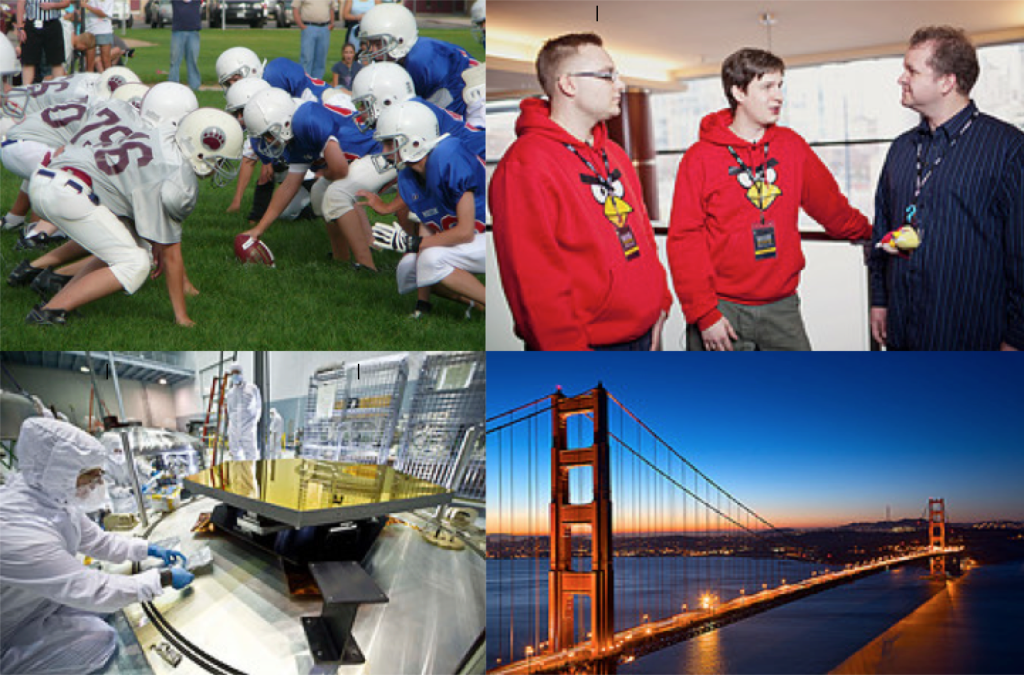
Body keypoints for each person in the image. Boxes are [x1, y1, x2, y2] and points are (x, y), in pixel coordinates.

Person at [667, 48, 871, 352]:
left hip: (782, 308)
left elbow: (831, 207)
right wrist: (704, 313)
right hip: (721, 310)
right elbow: (685, 239)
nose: (778, 96)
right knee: (720, 399)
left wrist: (871, 233)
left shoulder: (791, 146)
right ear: (738, 91)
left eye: (780, 86)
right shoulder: (699, 158)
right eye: (767, 87)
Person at [490, 33, 671, 351]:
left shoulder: (613, 153)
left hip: (648, 335)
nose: (620, 85)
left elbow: (641, 235)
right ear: (568, 84)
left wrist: (661, 306)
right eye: (607, 75)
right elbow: (535, 285)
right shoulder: (525, 164)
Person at [869, 26, 1024, 351]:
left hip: (972, 338)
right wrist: (880, 301)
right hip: (903, 333)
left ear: (946, 81)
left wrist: (1017, 339)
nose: (901, 78)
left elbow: (1021, 253)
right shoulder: (900, 149)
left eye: (911, 70)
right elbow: (882, 229)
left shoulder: (1008, 148)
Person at [0, 418, 193, 675]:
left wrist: (148, 549)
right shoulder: (17, 529)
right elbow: (94, 590)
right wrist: (162, 578)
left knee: (108, 606)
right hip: (9, 629)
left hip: (39, 601)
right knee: (99, 638)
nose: (96, 482)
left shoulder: (52, 498)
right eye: (89, 475)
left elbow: (97, 541)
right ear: (58, 471)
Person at [23, 107, 242, 326]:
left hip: (51, 177)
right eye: (219, 160)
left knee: (126, 248)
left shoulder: (163, 135)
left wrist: (155, 238)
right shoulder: (179, 180)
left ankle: (58, 300)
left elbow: (136, 194)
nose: (220, 166)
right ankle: (49, 313)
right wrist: (182, 316)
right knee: (136, 263)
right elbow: (172, 257)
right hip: (68, 191)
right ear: (201, 151)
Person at [363, 100, 486, 317]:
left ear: (415, 142)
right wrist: (422, 303)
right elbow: (429, 226)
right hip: (467, 242)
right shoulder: (409, 175)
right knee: (408, 269)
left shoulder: (448, 157)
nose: (384, 152)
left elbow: (466, 232)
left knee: (432, 259)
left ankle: (496, 308)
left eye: (390, 143)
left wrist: (413, 243)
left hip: (492, 237)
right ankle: (474, 303)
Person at [14, 0, 69, 85]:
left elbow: (66, 3)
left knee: (56, 60)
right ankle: (27, 89)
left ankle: (58, 89)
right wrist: (20, 26)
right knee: (29, 60)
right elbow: (20, 3)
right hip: (32, 23)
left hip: (52, 22)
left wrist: (52, 5)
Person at [225, 362, 262, 462]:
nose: (234, 376)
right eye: (232, 374)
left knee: (251, 455)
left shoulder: (252, 388)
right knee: (235, 454)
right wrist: (231, 427)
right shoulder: (230, 393)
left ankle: (251, 476)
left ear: (241, 373)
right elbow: (229, 411)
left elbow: (259, 407)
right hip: (234, 429)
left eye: (236, 373)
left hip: (248, 428)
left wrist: (254, 423)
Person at [293, 0, 334, 81]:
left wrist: (332, 23)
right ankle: (304, 82)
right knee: (306, 58)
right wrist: (301, 25)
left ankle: (317, 82)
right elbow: (295, 7)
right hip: (309, 26)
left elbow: (332, 8)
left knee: (321, 60)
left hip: (324, 28)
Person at [168, 0, 200, 91]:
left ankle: (194, 86)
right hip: (178, 32)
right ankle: (173, 85)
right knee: (175, 60)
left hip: (193, 32)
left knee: (192, 60)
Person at [81, 0, 112, 71]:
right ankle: (89, 80)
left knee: (106, 60)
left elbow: (104, 13)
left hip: (104, 30)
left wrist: (87, 6)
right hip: (90, 30)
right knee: (89, 62)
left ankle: (108, 79)